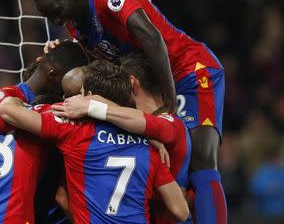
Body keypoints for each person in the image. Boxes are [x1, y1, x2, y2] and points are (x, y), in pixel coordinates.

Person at [34, 0, 227, 224]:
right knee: (170, 169)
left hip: (190, 71)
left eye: (56, 10)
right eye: (49, 17)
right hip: (154, 85)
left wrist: (167, 106)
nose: (57, 19)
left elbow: (152, 37)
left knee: (201, 162)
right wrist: (59, 54)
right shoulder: (75, 24)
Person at [0, 60, 190, 223]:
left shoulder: (73, 130)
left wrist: (19, 98)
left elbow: (5, 109)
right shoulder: (150, 147)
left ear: (88, 98)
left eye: (80, 93)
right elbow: (181, 211)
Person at [0, 40, 89, 224]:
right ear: (53, 74)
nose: (71, 90)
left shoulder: (13, 111)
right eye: (70, 81)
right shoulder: (28, 106)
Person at [53, 53, 192, 224]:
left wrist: (92, 105)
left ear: (132, 83)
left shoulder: (169, 124)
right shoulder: (140, 139)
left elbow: (151, 126)